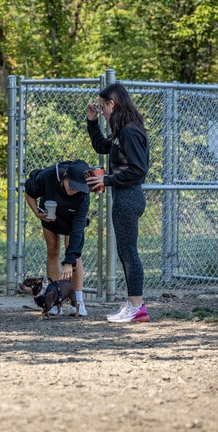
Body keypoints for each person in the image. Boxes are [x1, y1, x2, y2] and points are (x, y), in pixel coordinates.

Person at [85, 83, 150, 323]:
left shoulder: (129, 132)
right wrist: (92, 122)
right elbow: (103, 146)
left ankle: (137, 307)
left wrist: (108, 179)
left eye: (102, 107)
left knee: (129, 253)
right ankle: (134, 304)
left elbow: (138, 170)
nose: (101, 111)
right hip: (125, 197)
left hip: (128, 197)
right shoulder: (122, 131)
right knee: (126, 252)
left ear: (112, 104)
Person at [24, 159, 91, 316]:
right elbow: (29, 192)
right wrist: (36, 212)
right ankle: (52, 299)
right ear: (65, 177)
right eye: (72, 185)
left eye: (78, 188)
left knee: (74, 253)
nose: (74, 190)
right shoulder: (47, 176)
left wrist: (68, 262)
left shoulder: (83, 196)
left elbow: (77, 230)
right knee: (53, 250)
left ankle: (78, 300)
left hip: (72, 220)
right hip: (50, 215)